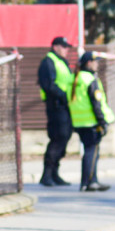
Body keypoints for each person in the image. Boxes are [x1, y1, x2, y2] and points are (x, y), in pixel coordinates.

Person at [67, 51, 114, 192]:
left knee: (89, 151)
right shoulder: (90, 79)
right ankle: (88, 182)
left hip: (79, 122)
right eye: (95, 62)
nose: (97, 64)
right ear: (89, 63)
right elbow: (96, 103)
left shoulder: (74, 77)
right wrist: (102, 122)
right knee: (92, 151)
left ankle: (90, 180)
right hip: (91, 122)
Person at [37, 36, 75, 186]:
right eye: (64, 46)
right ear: (55, 47)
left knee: (64, 137)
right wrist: (64, 96)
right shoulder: (48, 61)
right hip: (56, 105)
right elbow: (49, 85)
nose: (66, 49)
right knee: (58, 138)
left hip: (65, 106)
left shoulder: (61, 62)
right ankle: (47, 175)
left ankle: (54, 173)